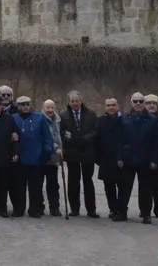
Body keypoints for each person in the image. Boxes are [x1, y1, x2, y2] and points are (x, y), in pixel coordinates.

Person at [117, 92, 158, 224]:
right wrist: (119, 157)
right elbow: (118, 140)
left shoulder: (153, 120)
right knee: (124, 188)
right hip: (128, 158)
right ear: (131, 102)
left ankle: (146, 213)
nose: (138, 104)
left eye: (141, 101)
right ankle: (122, 212)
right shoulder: (123, 118)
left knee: (146, 188)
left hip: (146, 158)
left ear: (144, 103)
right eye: (135, 101)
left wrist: (155, 159)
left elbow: (157, 142)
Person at [11, 96, 53, 218]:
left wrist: (46, 153)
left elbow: (47, 137)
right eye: (22, 105)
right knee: (18, 186)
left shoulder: (39, 117)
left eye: (27, 104)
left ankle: (34, 209)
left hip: (37, 158)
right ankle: (19, 209)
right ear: (18, 106)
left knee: (36, 187)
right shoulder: (13, 118)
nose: (25, 107)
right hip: (20, 158)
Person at [59, 90, 99, 218]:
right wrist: (70, 139)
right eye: (72, 101)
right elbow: (62, 133)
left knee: (88, 180)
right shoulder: (63, 115)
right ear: (69, 102)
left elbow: (95, 131)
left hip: (87, 151)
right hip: (72, 151)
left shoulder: (91, 114)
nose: (75, 103)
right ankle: (74, 208)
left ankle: (91, 209)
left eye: (77, 101)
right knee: (73, 181)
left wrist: (84, 139)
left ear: (81, 101)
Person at [95, 98, 123, 219]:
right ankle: (112, 209)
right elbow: (96, 139)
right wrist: (98, 158)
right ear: (105, 107)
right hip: (105, 158)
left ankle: (121, 209)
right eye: (108, 105)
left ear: (118, 106)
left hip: (121, 158)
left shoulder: (123, 120)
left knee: (122, 186)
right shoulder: (100, 120)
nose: (111, 107)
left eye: (113, 105)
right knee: (109, 187)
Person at [144, 94, 158, 219]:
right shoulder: (141, 119)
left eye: (154, 103)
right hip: (143, 157)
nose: (151, 106)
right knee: (144, 186)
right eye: (148, 103)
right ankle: (144, 209)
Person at [41, 99, 64, 217]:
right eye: (48, 108)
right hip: (42, 157)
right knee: (38, 184)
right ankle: (39, 206)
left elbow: (60, 135)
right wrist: (56, 148)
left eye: (52, 107)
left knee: (53, 184)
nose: (50, 110)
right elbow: (44, 138)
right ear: (43, 108)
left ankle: (54, 207)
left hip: (54, 159)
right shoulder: (40, 120)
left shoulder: (58, 120)